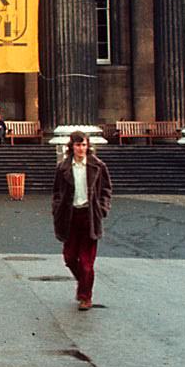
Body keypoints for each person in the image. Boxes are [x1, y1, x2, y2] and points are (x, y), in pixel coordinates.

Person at [52, 131, 113, 311]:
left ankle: (86, 297)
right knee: (70, 258)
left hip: (90, 216)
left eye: (84, 145)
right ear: (72, 147)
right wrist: (56, 209)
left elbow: (106, 190)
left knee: (86, 263)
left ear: (88, 146)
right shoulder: (63, 167)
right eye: (78, 145)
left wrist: (102, 208)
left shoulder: (98, 166)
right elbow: (57, 192)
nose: (81, 148)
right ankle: (84, 285)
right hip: (70, 216)